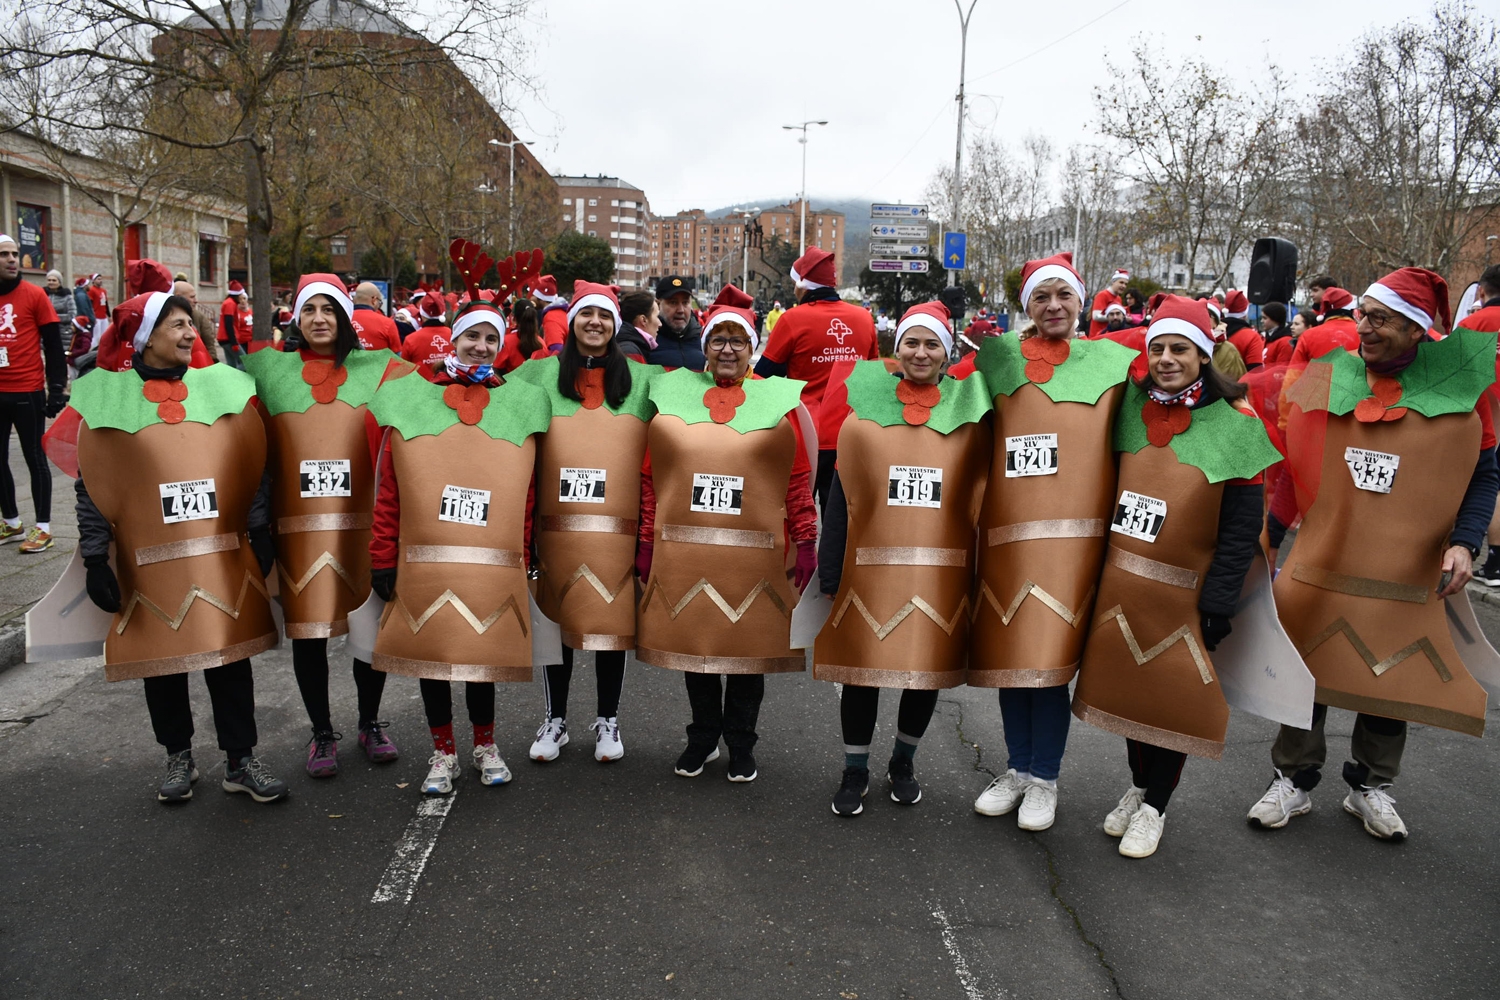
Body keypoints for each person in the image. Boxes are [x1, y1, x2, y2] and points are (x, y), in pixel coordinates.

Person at [1249, 268, 1499, 841]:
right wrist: (1269, 536)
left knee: (1392, 669)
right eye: (1361, 313)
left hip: (1403, 565)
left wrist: (1464, 542)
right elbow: (1291, 466)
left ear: (1416, 330)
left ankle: (1370, 786)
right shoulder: (1326, 377)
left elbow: (1481, 474)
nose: (1361, 326)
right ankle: (1294, 778)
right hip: (1325, 555)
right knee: (1305, 663)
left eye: (1379, 318)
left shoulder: (1461, 390)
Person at [1070, 295, 1278, 858]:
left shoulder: (1236, 423)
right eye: (1156, 347)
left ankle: (1156, 805)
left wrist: (1218, 601)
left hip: (1188, 595)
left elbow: (1242, 528)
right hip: (1123, 586)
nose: (1166, 358)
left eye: (1180, 349)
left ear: (1203, 354)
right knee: (1131, 696)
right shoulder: (1130, 410)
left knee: (1171, 700)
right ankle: (1139, 786)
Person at [65, 287, 288, 804]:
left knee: (229, 658)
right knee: (162, 660)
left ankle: (240, 758)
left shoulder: (221, 389)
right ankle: (178, 756)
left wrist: (258, 531)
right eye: (178, 326)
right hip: (150, 560)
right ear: (146, 339)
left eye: (191, 324)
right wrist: (95, 557)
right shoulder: (110, 399)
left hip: (218, 556)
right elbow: (94, 485)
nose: (191, 334)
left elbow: (249, 465)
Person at [367, 245, 551, 796]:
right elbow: (390, 486)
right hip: (427, 557)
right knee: (434, 654)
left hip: (488, 560)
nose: (482, 346)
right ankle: (442, 753)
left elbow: (523, 491)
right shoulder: (414, 400)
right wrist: (382, 556)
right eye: (473, 336)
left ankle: (486, 745)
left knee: (479, 654)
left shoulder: (513, 404)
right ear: (454, 337)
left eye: (492, 339)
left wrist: (521, 552)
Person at [967, 252, 1137, 831]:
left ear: (1082, 299)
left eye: (1064, 294)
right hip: (1008, 538)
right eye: (1042, 297)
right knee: (1013, 660)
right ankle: (1016, 769)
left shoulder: (1113, 363)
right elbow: (961, 430)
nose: (1054, 306)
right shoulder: (997, 361)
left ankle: (1044, 779)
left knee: (1051, 663)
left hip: (1077, 542)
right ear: (1025, 306)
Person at [814, 301, 993, 815]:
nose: (920, 352)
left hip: (939, 571)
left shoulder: (968, 411)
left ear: (947, 352)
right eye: (912, 341)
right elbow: (844, 490)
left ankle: (903, 761)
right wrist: (831, 568)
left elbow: (978, 496)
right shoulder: (865, 404)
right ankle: (854, 769)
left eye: (932, 343)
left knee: (923, 670)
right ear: (897, 348)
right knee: (862, 671)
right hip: (869, 568)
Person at [636, 285, 818, 782]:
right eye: (719, 339)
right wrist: (648, 541)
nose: (728, 350)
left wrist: (806, 540)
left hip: (757, 554)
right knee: (697, 646)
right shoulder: (675, 394)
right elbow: (652, 477)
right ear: (705, 343)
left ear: (753, 346)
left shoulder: (776, 401)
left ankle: (741, 742)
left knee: (747, 652)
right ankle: (702, 739)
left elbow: (797, 478)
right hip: (690, 551)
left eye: (739, 340)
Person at [243, 273, 400, 777]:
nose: (318, 320)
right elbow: (252, 453)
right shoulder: (268, 372)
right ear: (295, 317)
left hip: (363, 530)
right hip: (299, 532)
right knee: (309, 635)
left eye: (328, 310)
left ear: (345, 317)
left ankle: (370, 722)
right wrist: (259, 525)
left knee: (367, 630)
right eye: (309, 310)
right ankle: (322, 732)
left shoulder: (381, 370)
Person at [509, 281, 659, 763]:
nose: (594, 322)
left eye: (604, 315)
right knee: (557, 624)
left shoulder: (643, 380)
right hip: (557, 530)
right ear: (571, 320)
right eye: (585, 314)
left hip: (617, 530)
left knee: (610, 626)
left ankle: (608, 720)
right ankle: (555, 720)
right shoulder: (537, 376)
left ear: (616, 325)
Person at [755, 247, 879, 510]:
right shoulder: (864, 318)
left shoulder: (792, 320)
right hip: (851, 432)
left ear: (803, 285)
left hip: (806, 433)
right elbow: (872, 374)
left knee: (798, 516)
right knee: (840, 520)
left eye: (794, 284)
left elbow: (762, 376)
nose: (793, 290)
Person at [0, 234, 67, 553]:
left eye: (15, 253)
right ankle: (11, 523)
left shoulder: (35, 295)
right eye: (4, 255)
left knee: (34, 458)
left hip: (27, 391)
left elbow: (54, 346)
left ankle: (43, 528)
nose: (12, 259)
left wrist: (56, 388)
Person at [1459, 265, 1500, 585]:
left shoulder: (1472, 324)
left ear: (1481, 292)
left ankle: (1495, 562)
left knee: (1491, 481)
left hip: (1486, 411)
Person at [645, 275, 705, 371]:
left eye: (685, 303)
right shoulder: (647, 341)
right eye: (673, 302)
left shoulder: (704, 341)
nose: (680, 310)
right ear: (658, 304)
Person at [400, 294, 455, 366]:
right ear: (443, 313)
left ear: (421, 314)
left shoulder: (411, 339)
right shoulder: (455, 335)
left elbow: (403, 370)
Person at [351, 282, 402, 353]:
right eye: (379, 302)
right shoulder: (387, 323)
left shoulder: (340, 319)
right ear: (374, 300)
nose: (379, 305)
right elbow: (397, 357)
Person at [529, 274, 570, 357]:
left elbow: (556, 350)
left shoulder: (551, 317)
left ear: (540, 298)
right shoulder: (560, 312)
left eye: (532, 294)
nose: (529, 297)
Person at [1222, 290, 1265, 369]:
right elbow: (1255, 370)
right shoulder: (1251, 336)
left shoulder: (1213, 332)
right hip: (1241, 380)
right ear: (1245, 314)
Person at [614, 290, 657, 360]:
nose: (660, 324)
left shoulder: (631, 344)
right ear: (643, 320)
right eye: (657, 316)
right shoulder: (630, 351)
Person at [1089, 268, 1129, 338]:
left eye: (1126, 284)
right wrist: (1115, 317)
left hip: (1111, 335)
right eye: (1121, 282)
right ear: (1113, 282)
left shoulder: (1118, 298)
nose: (1124, 286)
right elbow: (1095, 316)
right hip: (1098, 336)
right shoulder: (1102, 295)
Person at [219, 281, 247, 368]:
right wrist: (234, 342)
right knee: (246, 363)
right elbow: (229, 324)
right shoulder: (230, 304)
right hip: (228, 339)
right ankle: (236, 379)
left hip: (224, 339)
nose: (242, 299)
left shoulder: (229, 302)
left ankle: (231, 379)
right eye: (241, 296)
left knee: (232, 365)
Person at [87, 273, 109, 340]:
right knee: (96, 337)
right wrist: (92, 316)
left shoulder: (103, 291)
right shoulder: (91, 290)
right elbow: (90, 304)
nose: (100, 281)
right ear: (93, 281)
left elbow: (106, 303)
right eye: (98, 279)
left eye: (101, 279)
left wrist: (109, 315)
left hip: (103, 316)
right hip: (96, 316)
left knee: (105, 335)